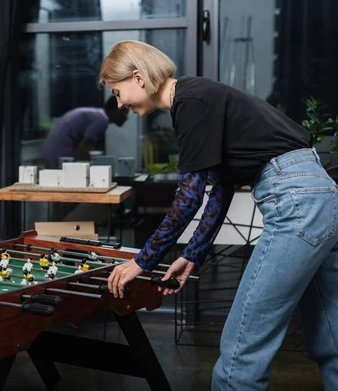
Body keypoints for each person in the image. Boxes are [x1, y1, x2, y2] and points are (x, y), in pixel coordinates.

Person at [102, 40, 337, 390]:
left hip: (297, 205)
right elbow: (219, 190)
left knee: (242, 347)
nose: (119, 104)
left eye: (118, 93)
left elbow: (190, 195)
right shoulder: (199, 97)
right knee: (331, 339)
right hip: (321, 198)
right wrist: (191, 255)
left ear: (138, 78)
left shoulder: (190, 100)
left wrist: (143, 261)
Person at [41, 96, 129, 167]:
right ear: (117, 109)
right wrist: (95, 168)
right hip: (60, 156)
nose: (126, 118)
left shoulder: (96, 114)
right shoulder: (101, 120)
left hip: (49, 153)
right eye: (125, 112)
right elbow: (82, 150)